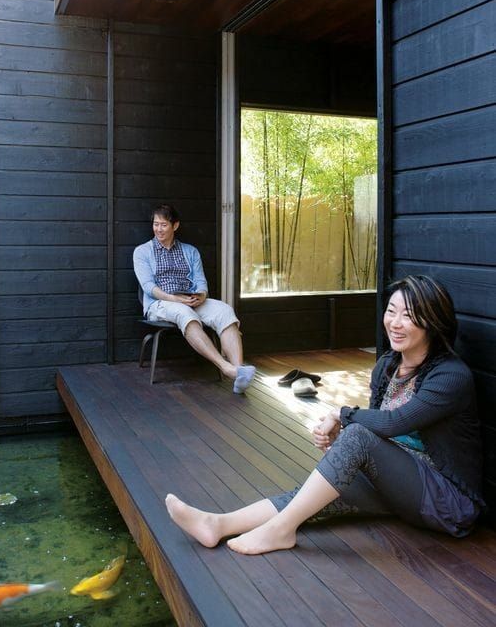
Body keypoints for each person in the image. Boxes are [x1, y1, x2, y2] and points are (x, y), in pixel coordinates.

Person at [165, 275, 484, 553]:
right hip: (404, 488)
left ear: (433, 322)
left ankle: (280, 531)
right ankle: (217, 524)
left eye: (409, 316)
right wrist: (343, 445)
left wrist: (342, 416)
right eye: (391, 311)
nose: (395, 323)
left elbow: (393, 422)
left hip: (447, 504)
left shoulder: (450, 376)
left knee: (356, 437)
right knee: (314, 494)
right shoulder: (388, 365)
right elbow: (378, 430)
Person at [133, 204, 256, 394]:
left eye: (163, 225)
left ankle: (238, 371)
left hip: (190, 299)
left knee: (224, 310)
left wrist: (201, 296)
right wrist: (175, 299)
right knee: (184, 313)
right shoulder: (142, 252)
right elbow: (149, 287)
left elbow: (200, 281)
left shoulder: (190, 251)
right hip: (161, 303)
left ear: (175, 226)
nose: (158, 229)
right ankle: (225, 367)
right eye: (155, 224)